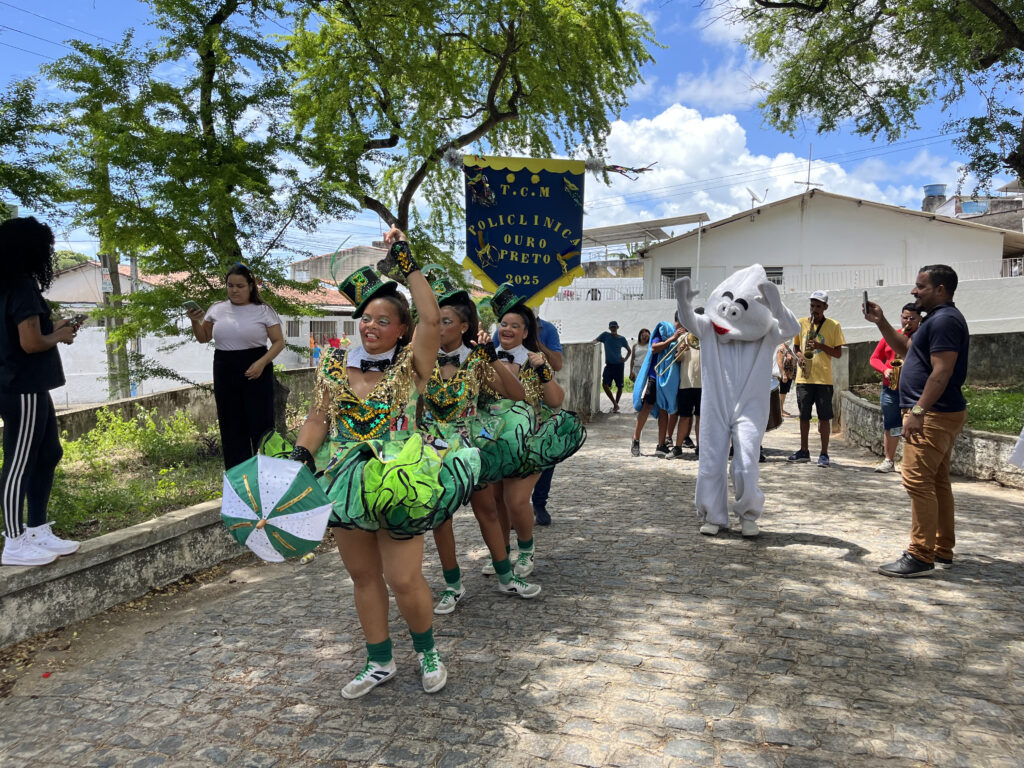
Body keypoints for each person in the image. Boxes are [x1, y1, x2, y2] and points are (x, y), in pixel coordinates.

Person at [288, 229, 464, 697]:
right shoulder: (332, 364)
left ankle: (427, 652)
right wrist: (301, 455)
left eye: (383, 321)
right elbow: (318, 418)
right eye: (365, 318)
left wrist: (408, 264)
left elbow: (431, 317)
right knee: (364, 577)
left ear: (402, 329)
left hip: (399, 477)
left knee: (403, 577)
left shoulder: (413, 363)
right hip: (346, 479)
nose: (370, 326)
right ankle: (379, 660)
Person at [420, 276, 541, 613]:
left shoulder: (475, 360)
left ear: (463, 326)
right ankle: (452, 585)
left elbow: (517, 394)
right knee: (440, 518)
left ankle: (506, 576)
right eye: (435, 321)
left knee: (486, 510)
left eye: (446, 321)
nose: (438, 327)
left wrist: (490, 359)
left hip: (469, 447)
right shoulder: (420, 359)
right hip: (431, 448)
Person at [675, 265, 800, 537]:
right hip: (716, 404)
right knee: (710, 460)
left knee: (746, 462)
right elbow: (689, 320)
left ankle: (748, 515)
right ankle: (713, 514)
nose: (731, 311)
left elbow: (792, 328)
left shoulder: (767, 332)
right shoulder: (710, 329)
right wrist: (682, 300)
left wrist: (777, 307)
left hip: (750, 407)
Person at [864, 265, 969, 578]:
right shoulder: (936, 319)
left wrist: (919, 411)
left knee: (916, 480)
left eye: (921, 286)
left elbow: (942, 371)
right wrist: (881, 321)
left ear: (940, 289)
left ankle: (921, 555)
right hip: (937, 412)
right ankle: (941, 549)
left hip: (932, 414)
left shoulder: (945, 320)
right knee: (937, 481)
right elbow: (908, 351)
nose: (914, 291)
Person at [0, 217, 82, 567]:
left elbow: (28, 333)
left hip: (27, 386)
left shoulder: (8, 284)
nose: (48, 254)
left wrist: (54, 326)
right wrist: (59, 336)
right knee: (19, 463)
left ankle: (37, 529)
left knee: (49, 453)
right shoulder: (22, 286)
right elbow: (31, 343)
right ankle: (14, 541)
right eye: (46, 247)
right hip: (23, 387)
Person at [488, 284, 584, 579]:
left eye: (515, 325)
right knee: (497, 503)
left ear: (525, 332)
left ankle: (526, 549)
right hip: (492, 440)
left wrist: (543, 370)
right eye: (504, 324)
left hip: (529, 443)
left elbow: (555, 400)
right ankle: (501, 553)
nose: (507, 329)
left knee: (516, 501)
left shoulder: (534, 361)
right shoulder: (485, 360)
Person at [188, 263, 285, 469]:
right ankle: (238, 477)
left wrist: (262, 362)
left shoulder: (264, 310)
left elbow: (278, 342)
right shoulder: (217, 309)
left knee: (261, 425)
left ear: (251, 286)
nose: (234, 290)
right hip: (224, 368)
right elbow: (203, 337)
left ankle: (267, 474)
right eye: (230, 285)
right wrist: (195, 321)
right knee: (231, 425)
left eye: (240, 286)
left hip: (256, 368)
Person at [788, 289, 845, 468]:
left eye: (818, 306)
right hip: (804, 379)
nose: (814, 310)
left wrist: (820, 345)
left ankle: (824, 453)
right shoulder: (801, 323)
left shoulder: (834, 325)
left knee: (824, 418)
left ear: (825, 307)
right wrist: (800, 357)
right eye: (812, 306)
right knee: (804, 416)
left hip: (823, 379)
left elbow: (838, 353)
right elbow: (796, 347)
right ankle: (804, 451)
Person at [869, 303, 923, 472]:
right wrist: (885, 370)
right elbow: (874, 358)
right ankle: (889, 460)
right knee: (892, 425)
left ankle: (912, 463)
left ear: (920, 319)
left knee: (914, 426)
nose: (908, 321)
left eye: (912, 318)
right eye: (905, 318)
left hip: (913, 391)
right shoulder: (891, 336)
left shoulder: (922, 338)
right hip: (891, 389)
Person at [630, 317, 682, 457]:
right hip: (655, 375)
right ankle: (635, 440)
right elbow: (654, 348)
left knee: (663, 410)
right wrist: (673, 338)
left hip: (668, 378)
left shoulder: (683, 334)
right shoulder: (664, 329)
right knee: (647, 407)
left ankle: (661, 445)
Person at [531, 314, 564, 526]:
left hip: (544, 406)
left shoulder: (548, 329)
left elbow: (558, 364)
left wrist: (537, 343)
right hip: (512, 408)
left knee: (547, 455)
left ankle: (539, 502)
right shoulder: (502, 332)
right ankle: (515, 506)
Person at [665, 322, 700, 459]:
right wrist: (681, 350)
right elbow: (677, 359)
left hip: (704, 384)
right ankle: (678, 447)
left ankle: (701, 447)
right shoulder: (683, 337)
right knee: (684, 417)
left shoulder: (707, 338)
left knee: (701, 417)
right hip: (686, 383)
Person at [593, 321, 631, 412]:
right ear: (609, 328)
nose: (613, 328)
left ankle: (615, 406)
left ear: (618, 327)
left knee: (620, 386)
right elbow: (595, 341)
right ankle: (615, 404)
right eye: (611, 327)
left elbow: (629, 351)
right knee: (604, 384)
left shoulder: (622, 339)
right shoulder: (605, 335)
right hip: (609, 365)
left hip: (619, 365)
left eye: (614, 327)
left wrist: (625, 359)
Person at [775, 341, 797, 417]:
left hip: (789, 375)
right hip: (784, 374)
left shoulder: (788, 349)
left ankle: (781, 409)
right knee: (782, 392)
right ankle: (779, 411)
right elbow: (779, 362)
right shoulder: (782, 349)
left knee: (784, 392)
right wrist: (783, 374)